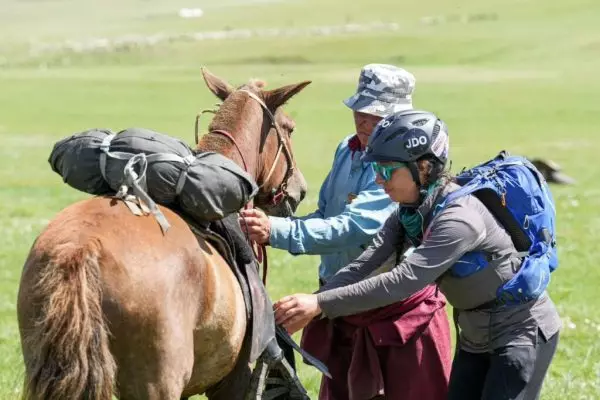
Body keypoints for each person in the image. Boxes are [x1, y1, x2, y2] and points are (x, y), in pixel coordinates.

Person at [274, 109, 562, 400]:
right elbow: (367, 263)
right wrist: (312, 302)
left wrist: (320, 303)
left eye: (387, 171)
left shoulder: (459, 219)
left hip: (520, 335)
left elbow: (404, 280)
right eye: (376, 170)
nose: (378, 180)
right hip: (476, 337)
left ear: (423, 167)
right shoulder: (410, 212)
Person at [241, 65, 451, 400]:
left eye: (376, 115)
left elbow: (356, 226)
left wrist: (276, 231)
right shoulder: (347, 149)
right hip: (341, 305)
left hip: (393, 318)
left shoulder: (400, 161)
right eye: (361, 111)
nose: (365, 121)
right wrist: (271, 226)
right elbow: (327, 214)